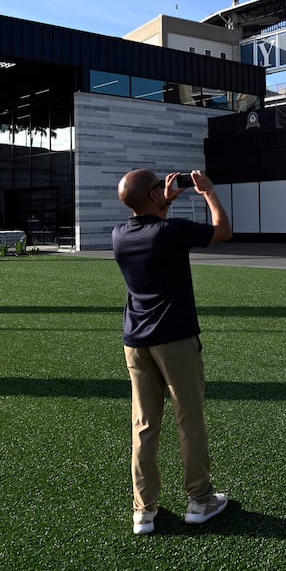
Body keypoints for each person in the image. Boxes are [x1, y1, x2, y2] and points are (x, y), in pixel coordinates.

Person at [113, 168, 232, 537]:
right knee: (189, 419)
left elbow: (151, 227)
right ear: (152, 197)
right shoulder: (172, 231)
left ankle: (143, 510)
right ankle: (200, 500)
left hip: (136, 342)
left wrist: (161, 203)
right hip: (175, 340)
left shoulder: (120, 235)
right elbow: (223, 231)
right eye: (158, 189)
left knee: (144, 425)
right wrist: (208, 192)